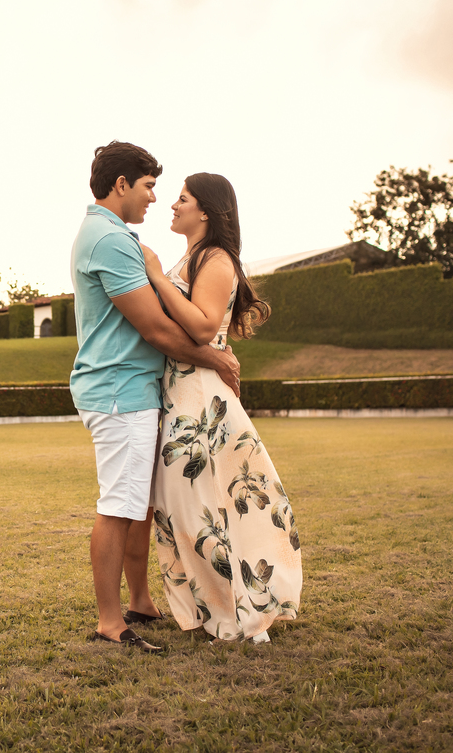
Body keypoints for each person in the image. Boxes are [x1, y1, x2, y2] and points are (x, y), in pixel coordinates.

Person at [70, 143, 242, 653]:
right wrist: (216, 357)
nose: (154, 198)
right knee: (119, 506)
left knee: (139, 507)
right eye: (148, 186)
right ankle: (109, 622)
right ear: (121, 184)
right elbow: (155, 329)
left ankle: (141, 601)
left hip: (134, 390)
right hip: (120, 390)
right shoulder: (110, 240)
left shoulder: (118, 237)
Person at [140, 173, 302, 643]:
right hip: (180, 390)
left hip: (201, 396)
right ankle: (216, 605)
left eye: (183, 198)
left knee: (200, 504)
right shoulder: (191, 257)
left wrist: (154, 276)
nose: (172, 204)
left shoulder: (216, 258)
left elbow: (205, 326)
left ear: (205, 210)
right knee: (184, 505)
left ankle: (237, 606)